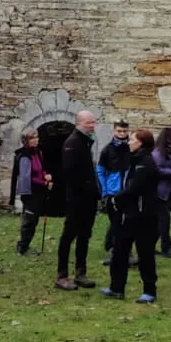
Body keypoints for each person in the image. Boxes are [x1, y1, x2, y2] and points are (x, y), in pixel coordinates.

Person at [103, 128, 161, 303]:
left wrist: (117, 198)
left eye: (133, 140)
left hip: (144, 216)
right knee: (120, 250)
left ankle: (150, 291)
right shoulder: (133, 161)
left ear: (141, 143)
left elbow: (136, 188)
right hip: (129, 214)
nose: (129, 142)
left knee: (145, 253)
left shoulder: (146, 163)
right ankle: (116, 287)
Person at [55, 111, 100, 291]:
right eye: (90, 123)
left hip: (88, 198)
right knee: (69, 235)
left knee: (84, 235)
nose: (93, 126)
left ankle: (80, 273)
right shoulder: (72, 143)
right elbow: (71, 173)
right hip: (77, 199)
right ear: (79, 123)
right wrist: (86, 189)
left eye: (94, 122)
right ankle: (62, 275)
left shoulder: (84, 142)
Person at [12, 129, 53, 256]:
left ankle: (26, 246)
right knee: (29, 220)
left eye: (36, 137)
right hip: (29, 192)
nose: (36, 140)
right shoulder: (24, 156)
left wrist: (46, 176)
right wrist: (44, 183)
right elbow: (26, 178)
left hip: (39, 191)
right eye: (32, 138)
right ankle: (22, 247)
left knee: (34, 220)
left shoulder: (38, 152)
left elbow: (42, 169)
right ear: (26, 141)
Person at [97, 120, 133, 262]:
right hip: (113, 191)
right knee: (116, 222)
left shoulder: (132, 147)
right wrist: (105, 191)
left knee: (129, 222)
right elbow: (100, 171)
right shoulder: (107, 150)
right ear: (114, 131)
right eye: (119, 131)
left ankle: (127, 251)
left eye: (124, 131)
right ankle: (113, 251)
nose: (122, 134)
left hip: (129, 191)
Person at [151, 127, 171, 257]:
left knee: (159, 221)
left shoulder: (168, 152)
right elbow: (157, 170)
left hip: (166, 191)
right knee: (164, 221)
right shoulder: (158, 153)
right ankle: (166, 247)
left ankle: (150, 245)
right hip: (159, 192)